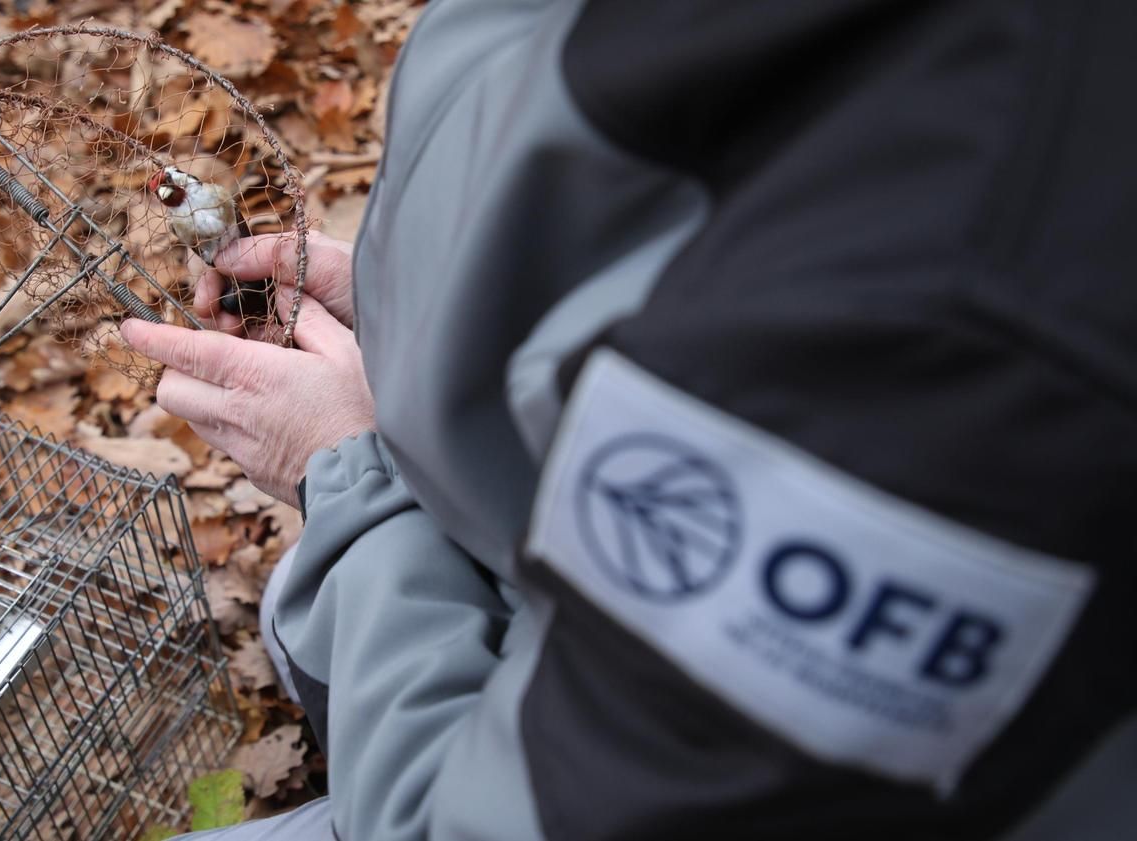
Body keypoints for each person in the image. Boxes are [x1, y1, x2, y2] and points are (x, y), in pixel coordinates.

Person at [123, 1, 1137, 838]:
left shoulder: (959, 353)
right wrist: (416, 316)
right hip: (527, 585)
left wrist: (342, 468)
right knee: (300, 608)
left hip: (516, 765)